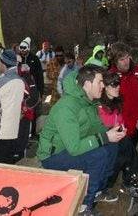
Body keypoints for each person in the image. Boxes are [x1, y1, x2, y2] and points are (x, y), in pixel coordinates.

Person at [37, 65, 124, 214]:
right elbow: (74, 148)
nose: (103, 85)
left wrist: (111, 132)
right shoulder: (67, 106)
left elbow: (97, 129)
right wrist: (104, 137)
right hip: (53, 155)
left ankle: (97, 191)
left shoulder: (88, 102)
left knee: (113, 146)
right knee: (99, 155)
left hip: (70, 147)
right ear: (87, 84)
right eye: (100, 82)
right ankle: (84, 206)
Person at [99, 72, 138, 200]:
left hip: (116, 138)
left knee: (124, 146)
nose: (117, 86)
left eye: (118, 83)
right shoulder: (99, 106)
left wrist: (122, 128)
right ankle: (130, 177)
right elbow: (101, 127)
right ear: (105, 87)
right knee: (123, 148)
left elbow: (120, 121)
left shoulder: (117, 101)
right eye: (114, 84)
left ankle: (128, 179)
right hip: (103, 140)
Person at [107, 42, 138, 140]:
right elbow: (108, 107)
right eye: (122, 59)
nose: (126, 61)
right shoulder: (110, 79)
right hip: (122, 132)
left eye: (127, 57)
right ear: (115, 61)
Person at [0, 50, 28, 164]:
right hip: (14, 129)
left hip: (0, 131)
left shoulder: (0, 82)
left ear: (3, 63)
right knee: (8, 163)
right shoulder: (21, 81)